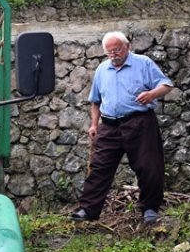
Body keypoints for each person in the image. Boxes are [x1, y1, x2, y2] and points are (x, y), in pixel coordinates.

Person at [70, 31, 173, 225]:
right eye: (109, 52)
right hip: (109, 125)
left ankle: (150, 208)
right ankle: (88, 210)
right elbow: (95, 101)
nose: (113, 54)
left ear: (128, 46)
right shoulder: (102, 70)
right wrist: (93, 124)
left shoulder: (143, 63)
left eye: (117, 50)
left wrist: (152, 94)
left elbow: (167, 84)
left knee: (149, 166)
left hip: (139, 122)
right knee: (99, 166)